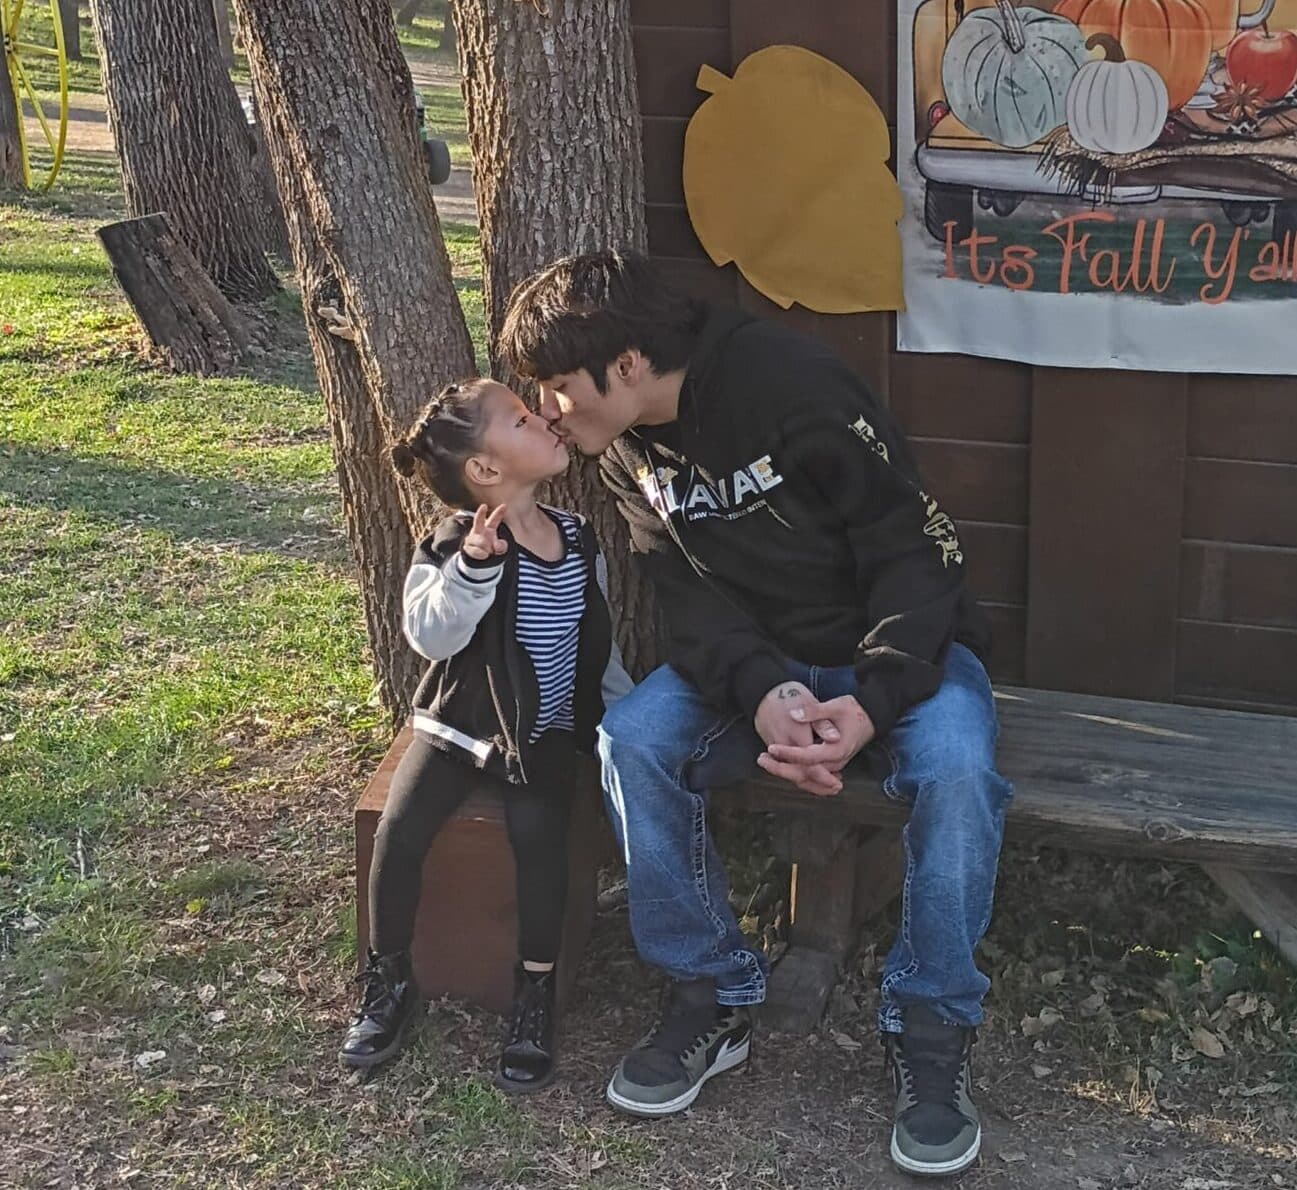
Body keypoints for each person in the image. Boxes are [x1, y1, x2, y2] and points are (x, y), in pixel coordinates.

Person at [499, 252, 1012, 1176]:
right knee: (634, 739)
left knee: (959, 768)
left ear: (623, 364)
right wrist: (764, 689)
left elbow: (913, 551)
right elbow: (681, 592)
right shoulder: (619, 444)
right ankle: (712, 991)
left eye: (556, 387)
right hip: (756, 669)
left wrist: (871, 697)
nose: (545, 411)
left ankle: (932, 1019)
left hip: (895, 650)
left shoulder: (791, 384)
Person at [339, 378, 632, 1093]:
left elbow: (597, 637)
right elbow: (430, 636)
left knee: (541, 845)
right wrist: (473, 568)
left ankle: (534, 994)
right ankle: (388, 979)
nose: (546, 421)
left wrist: (620, 714)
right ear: (487, 471)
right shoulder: (452, 543)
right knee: (400, 835)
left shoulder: (575, 535)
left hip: (543, 737)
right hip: (455, 731)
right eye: (523, 418)